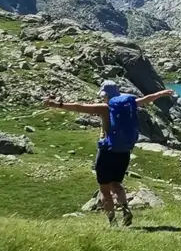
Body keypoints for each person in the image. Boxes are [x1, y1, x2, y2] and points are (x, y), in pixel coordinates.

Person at [44, 80, 174, 227]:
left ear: (106, 95)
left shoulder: (104, 108)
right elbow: (147, 99)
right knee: (117, 184)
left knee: (105, 190)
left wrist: (58, 105)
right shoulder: (130, 104)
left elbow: (79, 107)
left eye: (103, 96)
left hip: (107, 151)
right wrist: (161, 93)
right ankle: (125, 209)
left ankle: (112, 222)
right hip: (124, 151)